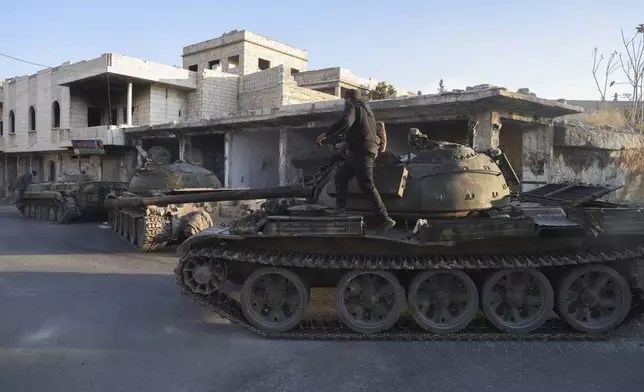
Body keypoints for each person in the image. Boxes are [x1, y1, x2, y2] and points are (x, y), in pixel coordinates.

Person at [316, 89, 395, 233]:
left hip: (363, 152)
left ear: (348, 99)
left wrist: (326, 134)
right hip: (361, 151)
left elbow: (345, 121)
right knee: (342, 174)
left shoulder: (352, 106)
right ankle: (340, 208)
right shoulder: (367, 111)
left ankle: (385, 219)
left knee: (366, 183)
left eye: (345, 99)